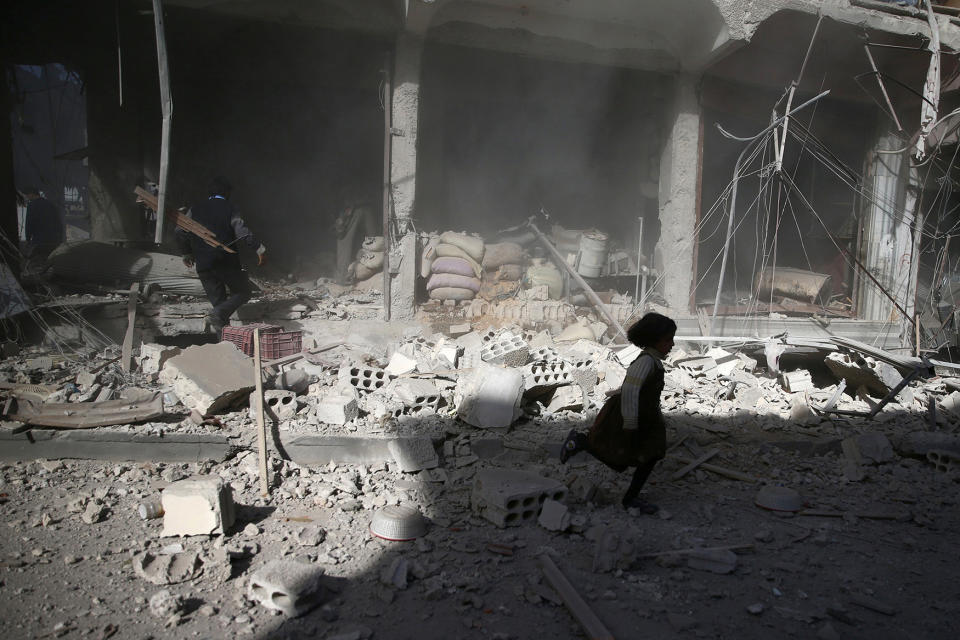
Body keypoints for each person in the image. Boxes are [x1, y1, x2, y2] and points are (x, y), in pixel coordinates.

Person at [560, 312, 676, 514]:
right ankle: (581, 442)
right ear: (654, 340)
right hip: (630, 416)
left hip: (645, 418)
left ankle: (630, 497)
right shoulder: (645, 363)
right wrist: (630, 423)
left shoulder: (654, 361)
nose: (672, 344)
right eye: (668, 340)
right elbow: (630, 392)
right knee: (620, 456)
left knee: (647, 455)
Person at [176, 176, 267, 334]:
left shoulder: (194, 209)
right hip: (225, 261)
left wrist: (186, 253)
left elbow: (179, 231)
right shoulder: (230, 208)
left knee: (219, 307)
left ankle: (224, 346)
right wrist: (258, 248)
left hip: (203, 264)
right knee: (243, 292)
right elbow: (242, 231)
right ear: (227, 193)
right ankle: (219, 316)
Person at [21, 186, 64, 273]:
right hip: (54, 240)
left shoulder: (32, 205)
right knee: (50, 262)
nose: (26, 197)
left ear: (31, 194)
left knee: (34, 264)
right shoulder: (50, 204)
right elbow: (58, 223)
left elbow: (29, 223)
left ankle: (38, 279)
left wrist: (28, 239)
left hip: (39, 241)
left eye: (26, 195)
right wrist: (60, 238)